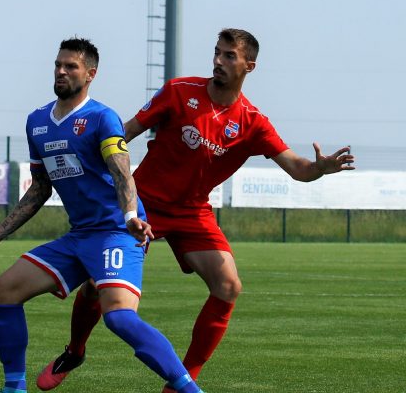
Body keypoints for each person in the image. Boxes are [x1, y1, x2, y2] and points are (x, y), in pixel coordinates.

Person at [38, 28, 356, 392]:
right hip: (144, 203)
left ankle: (183, 381)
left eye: (229, 56)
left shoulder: (252, 122)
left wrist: (320, 168)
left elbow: (298, 168)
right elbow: (123, 133)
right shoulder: (179, 91)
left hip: (193, 213)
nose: (218, 61)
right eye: (217, 53)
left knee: (229, 285)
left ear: (249, 66)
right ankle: (75, 351)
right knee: (97, 285)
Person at [0, 38, 204, 393]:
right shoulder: (37, 123)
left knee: (119, 317)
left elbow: (122, 172)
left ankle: (188, 389)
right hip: (79, 237)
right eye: (58, 65)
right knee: (4, 290)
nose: (61, 71)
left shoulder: (101, 118)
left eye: (71, 66)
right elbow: (40, 188)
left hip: (116, 232)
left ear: (90, 74)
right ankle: (14, 387)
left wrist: (129, 217)